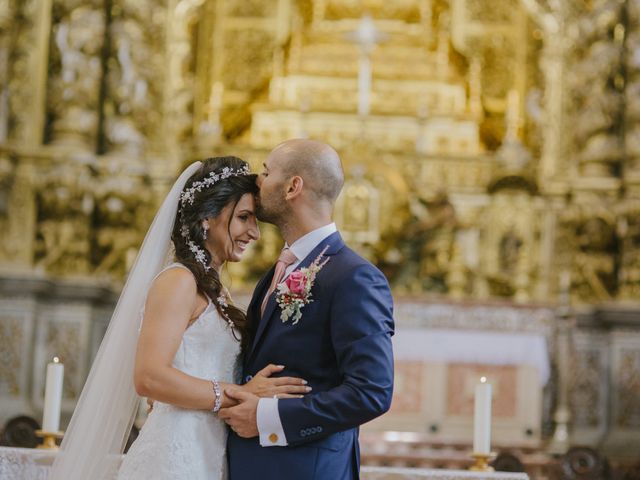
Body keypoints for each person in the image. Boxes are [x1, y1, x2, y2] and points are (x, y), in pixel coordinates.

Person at [50, 157, 308, 480]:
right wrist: (238, 394)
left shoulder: (214, 291)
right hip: (172, 457)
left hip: (206, 451)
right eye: (244, 218)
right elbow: (149, 377)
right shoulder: (178, 281)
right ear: (206, 219)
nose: (254, 233)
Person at [221, 139, 395, 479]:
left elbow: (371, 391)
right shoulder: (277, 271)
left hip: (307, 468)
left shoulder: (354, 277)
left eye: (267, 172)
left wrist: (268, 418)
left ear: (292, 187)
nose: (257, 180)